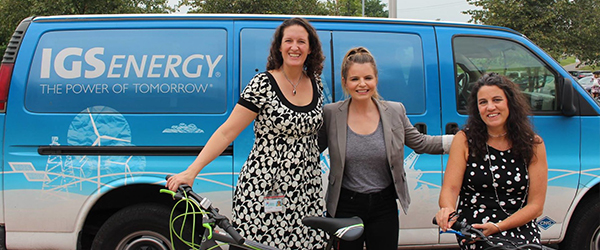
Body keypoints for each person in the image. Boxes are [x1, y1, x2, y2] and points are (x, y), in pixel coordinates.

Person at [166, 17, 326, 250]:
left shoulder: (316, 84)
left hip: (305, 190)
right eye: (288, 41)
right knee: (257, 245)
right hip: (265, 188)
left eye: (301, 41)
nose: (295, 47)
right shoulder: (263, 84)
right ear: (279, 47)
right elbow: (226, 132)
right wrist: (191, 172)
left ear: (310, 48)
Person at [318, 47, 452, 250]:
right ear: (345, 82)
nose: (362, 84)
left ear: (376, 79)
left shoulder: (395, 111)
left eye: (368, 78)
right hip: (345, 206)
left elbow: (420, 143)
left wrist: (462, 141)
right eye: (354, 79)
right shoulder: (331, 114)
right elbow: (308, 152)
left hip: (384, 205)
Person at [435, 73, 548, 249]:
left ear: (510, 103)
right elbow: (450, 189)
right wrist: (447, 209)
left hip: (520, 225)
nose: (490, 107)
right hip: (477, 228)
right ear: (477, 108)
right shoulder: (464, 140)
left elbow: (536, 206)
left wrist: (499, 227)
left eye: (497, 100)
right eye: (483, 102)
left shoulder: (534, 144)